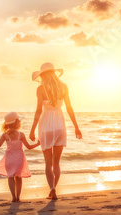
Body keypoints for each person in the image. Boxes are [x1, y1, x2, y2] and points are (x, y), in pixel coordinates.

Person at [29, 62, 82, 200]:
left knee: (48, 163)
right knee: (56, 163)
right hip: (59, 125)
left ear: (42, 75)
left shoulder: (40, 89)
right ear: (54, 73)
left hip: (46, 126)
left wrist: (32, 129)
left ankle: (52, 189)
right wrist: (76, 127)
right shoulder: (64, 87)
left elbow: (39, 111)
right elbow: (69, 108)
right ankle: (53, 190)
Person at [0, 112, 40, 202]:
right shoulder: (21, 135)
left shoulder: (5, 135)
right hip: (19, 159)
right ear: (17, 123)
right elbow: (29, 147)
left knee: (10, 177)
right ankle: (18, 197)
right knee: (18, 178)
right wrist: (37, 144)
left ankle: (13, 197)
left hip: (9, 159)